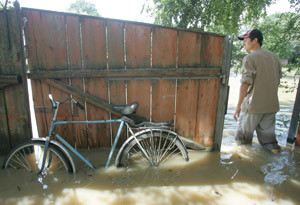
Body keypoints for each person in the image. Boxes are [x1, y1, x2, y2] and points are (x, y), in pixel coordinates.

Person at [233, 29, 282, 154]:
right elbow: (277, 81)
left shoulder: (250, 58)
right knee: (270, 145)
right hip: (270, 106)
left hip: (252, 107)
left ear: (255, 41)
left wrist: (238, 107)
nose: (243, 43)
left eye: (245, 40)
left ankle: (244, 167)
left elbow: (245, 84)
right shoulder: (274, 58)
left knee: (241, 143)